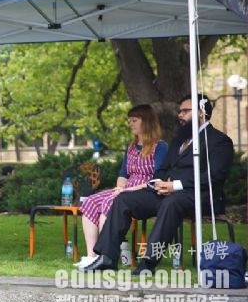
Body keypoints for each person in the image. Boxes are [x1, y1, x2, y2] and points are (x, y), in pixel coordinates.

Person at [83, 94, 234, 275]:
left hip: (199, 196)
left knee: (171, 203)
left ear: (201, 112)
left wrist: (175, 185)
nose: (180, 115)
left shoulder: (219, 141)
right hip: (166, 192)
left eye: (185, 111)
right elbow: (162, 169)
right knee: (124, 199)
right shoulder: (180, 140)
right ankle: (107, 257)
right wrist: (159, 183)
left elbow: (214, 176)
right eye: (180, 111)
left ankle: (148, 263)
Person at [76, 104, 167, 268]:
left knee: (108, 203)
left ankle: (104, 256)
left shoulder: (160, 147)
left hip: (146, 191)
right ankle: (91, 256)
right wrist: (119, 188)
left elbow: (157, 179)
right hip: (125, 189)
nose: (130, 124)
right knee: (90, 202)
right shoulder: (131, 147)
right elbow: (123, 174)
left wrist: (127, 190)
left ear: (146, 121)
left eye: (134, 120)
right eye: (129, 120)